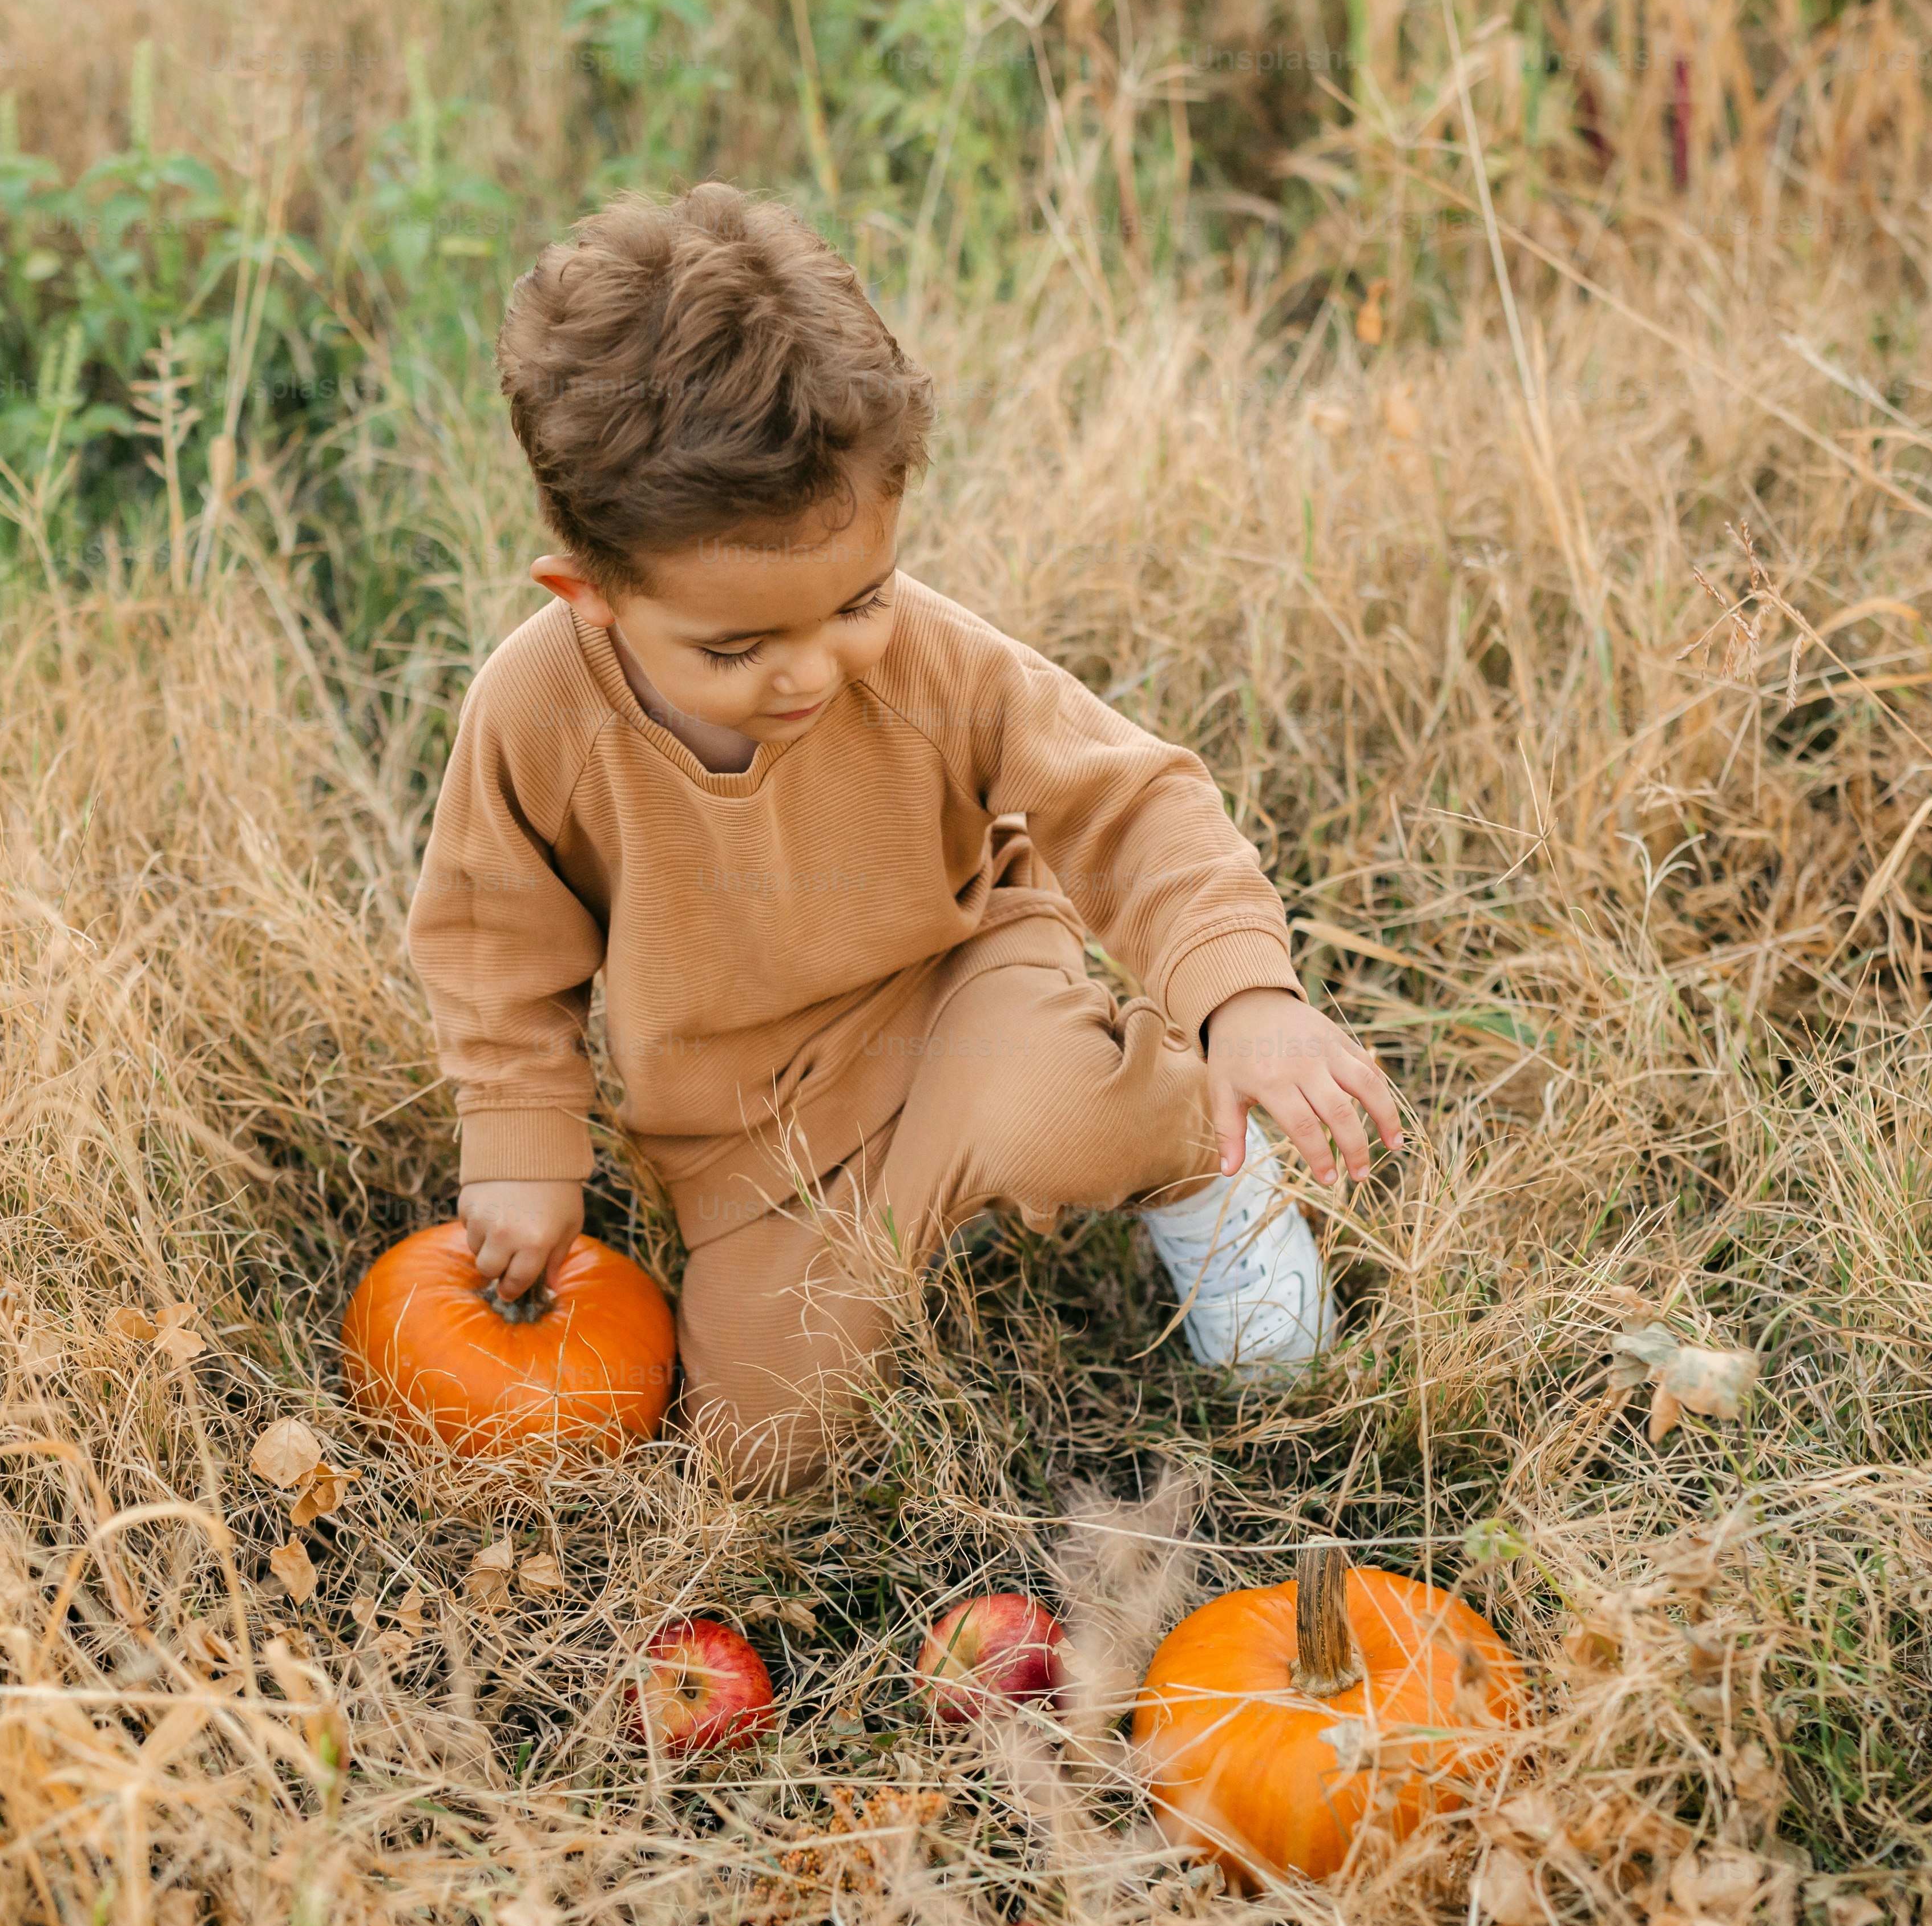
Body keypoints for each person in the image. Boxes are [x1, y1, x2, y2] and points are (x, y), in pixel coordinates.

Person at [406, 181, 1402, 1492]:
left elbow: (1129, 796)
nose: (814, 669)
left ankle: (1186, 1162)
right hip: (748, 1131)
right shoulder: (537, 714)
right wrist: (523, 1148)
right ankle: (910, 1228)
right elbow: (493, 943)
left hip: (958, 993)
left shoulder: (930, 661)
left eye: (859, 599)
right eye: (736, 645)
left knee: (1064, 1112)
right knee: (765, 1449)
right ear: (590, 595)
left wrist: (1245, 997)